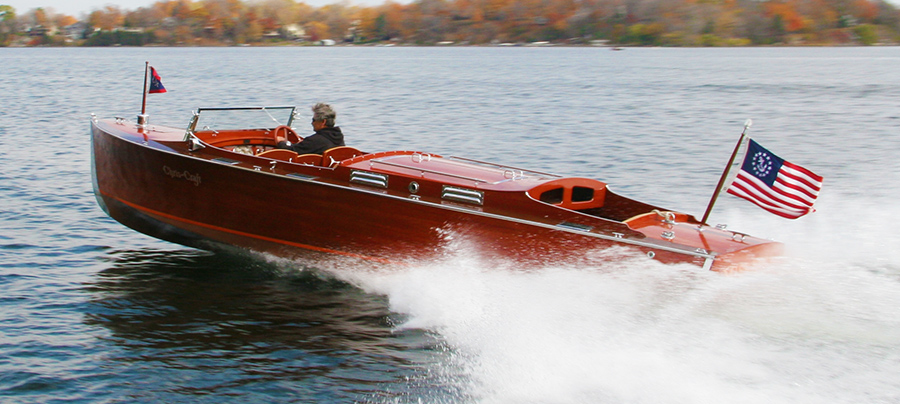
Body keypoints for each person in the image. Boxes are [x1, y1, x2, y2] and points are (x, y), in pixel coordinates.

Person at [275, 103, 345, 155]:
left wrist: (281, 142)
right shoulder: (338, 138)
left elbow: (290, 152)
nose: (312, 123)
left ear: (323, 122)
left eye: (314, 120)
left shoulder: (316, 140)